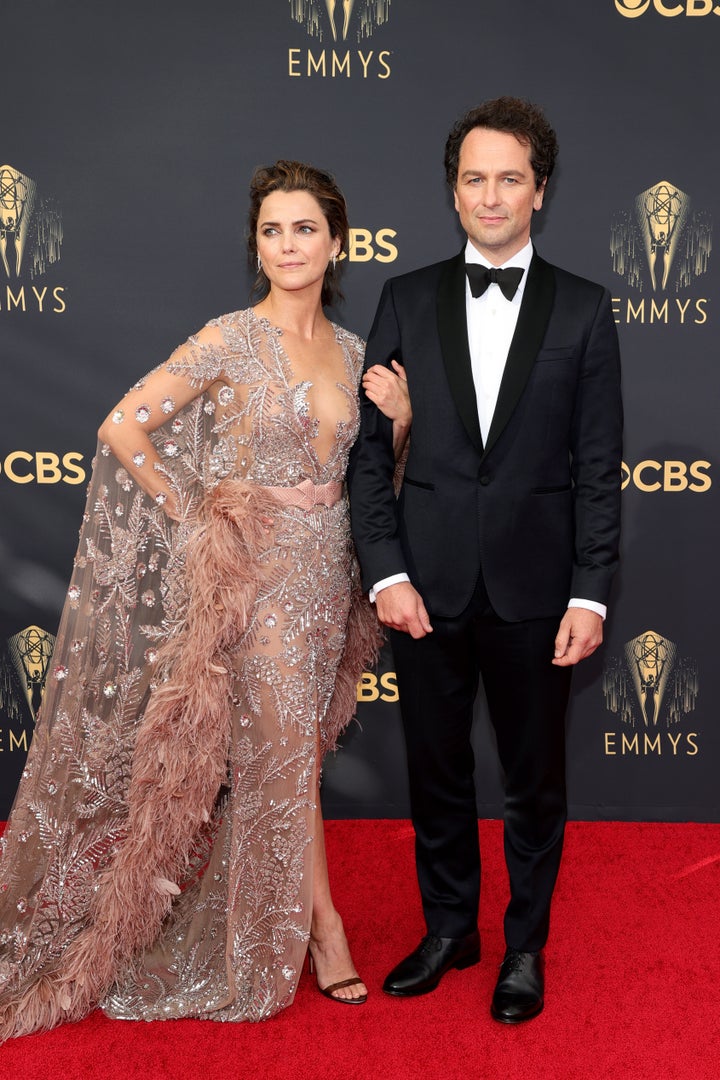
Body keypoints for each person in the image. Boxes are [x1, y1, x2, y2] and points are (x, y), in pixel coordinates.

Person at [0, 160, 410, 1039]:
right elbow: (122, 424)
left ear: (338, 242)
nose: (287, 245)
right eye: (271, 230)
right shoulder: (229, 338)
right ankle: (319, 933)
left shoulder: (353, 352)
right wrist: (199, 514)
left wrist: (401, 421)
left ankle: (299, 924)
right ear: (255, 244)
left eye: (304, 228)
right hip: (253, 587)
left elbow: (373, 478)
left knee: (295, 753)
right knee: (279, 763)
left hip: (326, 580)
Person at [347, 97, 622, 1024]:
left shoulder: (585, 310)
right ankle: (450, 928)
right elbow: (366, 454)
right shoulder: (405, 297)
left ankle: (524, 947)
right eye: (474, 178)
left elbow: (596, 469)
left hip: (539, 592)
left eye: (510, 178)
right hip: (424, 586)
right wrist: (385, 572)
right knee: (435, 769)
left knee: (535, 779)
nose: (491, 195)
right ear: (454, 192)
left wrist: (591, 593)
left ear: (539, 192)